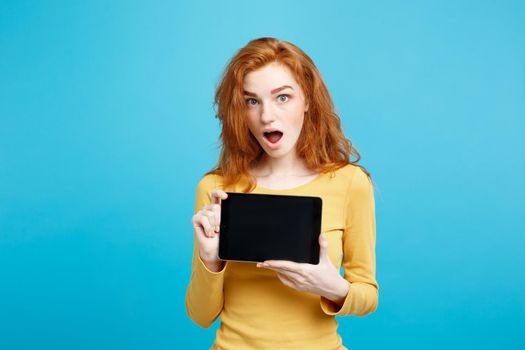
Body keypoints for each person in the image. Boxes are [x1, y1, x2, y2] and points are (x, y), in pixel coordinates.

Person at [186, 37, 378, 350]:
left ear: (308, 100)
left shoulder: (350, 183)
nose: (266, 116)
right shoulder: (216, 189)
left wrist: (333, 287)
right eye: (252, 101)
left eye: (282, 98)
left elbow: (368, 295)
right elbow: (200, 315)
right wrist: (211, 261)